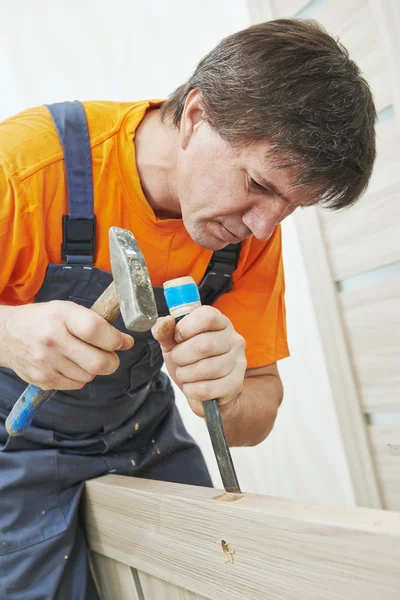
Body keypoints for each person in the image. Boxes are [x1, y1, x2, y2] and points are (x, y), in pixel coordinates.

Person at [0, 17, 376, 599]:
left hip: (143, 432)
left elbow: (262, 401)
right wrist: (6, 332)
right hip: (17, 445)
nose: (263, 225)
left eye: (289, 208)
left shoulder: (251, 229)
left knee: (209, 576)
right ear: (197, 116)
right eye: (257, 184)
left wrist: (228, 391)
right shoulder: (27, 165)